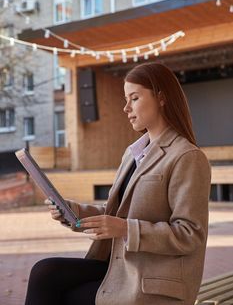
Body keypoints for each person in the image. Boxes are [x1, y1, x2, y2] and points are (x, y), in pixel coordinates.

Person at [24, 62, 211, 305]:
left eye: (134, 98)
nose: (126, 108)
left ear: (161, 98)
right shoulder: (133, 153)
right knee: (45, 272)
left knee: (68, 296)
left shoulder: (187, 157)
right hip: (121, 268)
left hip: (152, 280)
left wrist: (125, 229)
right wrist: (71, 211)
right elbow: (114, 214)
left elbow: (190, 235)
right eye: (126, 99)